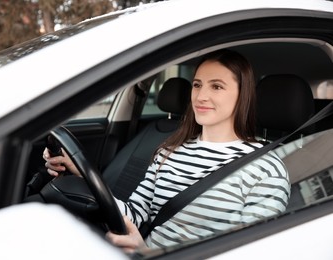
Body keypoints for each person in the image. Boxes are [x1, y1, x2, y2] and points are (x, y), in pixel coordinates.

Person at [43, 49, 290, 253]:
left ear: (242, 96)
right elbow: (134, 215)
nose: (201, 96)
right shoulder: (169, 151)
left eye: (216, 87)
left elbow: (254, 253)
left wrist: (150, 254)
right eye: (197, 85)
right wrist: (81, 174)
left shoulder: (266, 168)